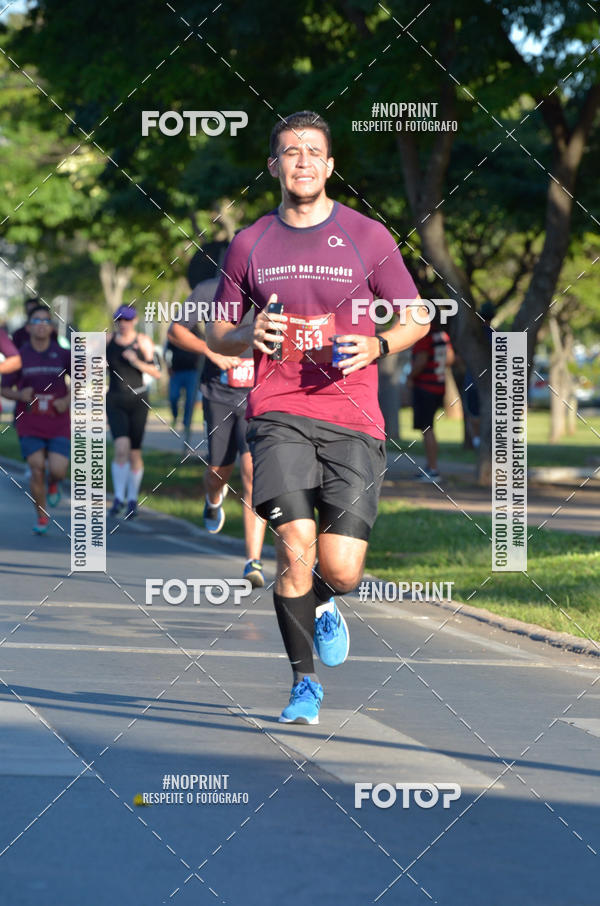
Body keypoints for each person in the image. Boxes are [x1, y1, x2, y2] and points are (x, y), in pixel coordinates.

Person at [202, 110, 429, 724]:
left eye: (313, 152)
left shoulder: (369, 236)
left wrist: (379, 344)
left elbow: (417, 316)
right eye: (289, 151)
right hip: (278, 413)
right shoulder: (249, 243)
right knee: (294, 546)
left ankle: (328, 601)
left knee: (341, 568)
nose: (302, 161)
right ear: (273, 165)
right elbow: (217, 332)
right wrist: (250, 331)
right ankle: (304, 684)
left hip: (354, 417)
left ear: (330, 166)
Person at [168, 277, 267, 588]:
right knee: (217, 472)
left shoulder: (274, 286)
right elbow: (176, 331)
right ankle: (213, 500)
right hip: (219, 394)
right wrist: (210, 351)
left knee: (253, 473)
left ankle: (253, 561)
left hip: (258, 395)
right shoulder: (210, 290)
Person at [1, 305, 70, 534]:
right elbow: (4, 388)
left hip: (58, 421)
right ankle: (41, 516)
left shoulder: (63, 354)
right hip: (30, 421)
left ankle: (54, 483)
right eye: (37, 321)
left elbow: (81, 381)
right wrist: (19, 395)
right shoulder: (19, 356)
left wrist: (67, 400)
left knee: (58, 470)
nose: (41, 325)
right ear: (28, 327)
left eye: (46, 321)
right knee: (36, 467)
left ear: (51, 328)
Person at [106, 304, 161, 520]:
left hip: (138, 399)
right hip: (115, 399)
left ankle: (132, 499)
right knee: (121, 448)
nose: (123, 324)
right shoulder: (108, 341)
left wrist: (135, 360)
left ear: (135, 320)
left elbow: (156, 372)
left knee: (134, 452)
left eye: (127, 319)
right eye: (119, 320)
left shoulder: (143, 342)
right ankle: (118, 498)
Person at [409, 309, 454, 482]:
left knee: (427, 429)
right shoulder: (442, 335)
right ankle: (430, 467)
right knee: (429, 428)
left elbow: (421, 360)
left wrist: (410, 376)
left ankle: (433, 469)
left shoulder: (424, 336)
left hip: (425, 387)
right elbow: (450, 359)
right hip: (439, 386)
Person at [463, 301, 494, 449]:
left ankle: (478, 441)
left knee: (473, 416)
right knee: (486, 415)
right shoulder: (496, 336)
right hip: (490, 384)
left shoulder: (473, 336)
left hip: (473, 383)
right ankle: (483, 442)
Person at [165, 330, 200, 446]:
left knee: (190, 400)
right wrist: (168, 366)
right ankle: (175, 416)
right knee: (173, 396)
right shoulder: (176, 331)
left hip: (193, 373)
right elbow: (167, 351)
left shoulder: (198, 333)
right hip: (176, 372)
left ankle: (186, 423)